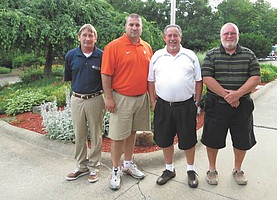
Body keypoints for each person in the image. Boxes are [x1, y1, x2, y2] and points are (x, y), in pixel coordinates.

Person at [201, 22, 261, 186]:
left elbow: (256, 78)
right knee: (212, 139)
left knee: (242, 140)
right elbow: (207, 77)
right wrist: (228, 96)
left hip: (242, 106)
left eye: (232, 33)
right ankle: (212, 170)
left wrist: (237, 95)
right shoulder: (211, 55)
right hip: (216, 105)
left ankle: (237, 169)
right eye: (226, 34)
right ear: (221, 36)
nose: (229, 36)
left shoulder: (249, 55)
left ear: (238, 35)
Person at [101, 13, 153, 190]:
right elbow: (106, 74)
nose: (134, 28)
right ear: (125, 26)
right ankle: (115, 169)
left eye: (137, 25)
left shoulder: (147, 46)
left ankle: (128, 164)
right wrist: (108, 97)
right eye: (131, 24)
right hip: (121, 98)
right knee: (117, 136)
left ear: (141, 27)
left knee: (132, 133)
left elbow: (150, 76)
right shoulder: (113, 46)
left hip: (141, 98)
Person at [147, 24, 203, 188]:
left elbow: (199, 80)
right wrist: (153, 102)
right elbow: (150, 80)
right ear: (164, 38)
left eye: (175, 35)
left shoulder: (190, 55)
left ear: (180, 37)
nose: (172, 39)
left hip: (186, 106)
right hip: (163, 106)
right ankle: (169, 169)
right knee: (165, 140)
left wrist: (196, 102)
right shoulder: (157, 56)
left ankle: (191, 170)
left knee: (188, 140)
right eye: (169, 36)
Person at [64, 24, 105, 183]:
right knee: (79, 133)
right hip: (77, 99)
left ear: (95, 38)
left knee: (96, 134)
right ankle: (81, 166)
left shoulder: (102, 56)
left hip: (95, 99)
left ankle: (94, 167)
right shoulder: (71, 55)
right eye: (85, 35)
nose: (87, 38)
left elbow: (107, 79)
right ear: (79, 37)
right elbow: (69, 77)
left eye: (91, 35)